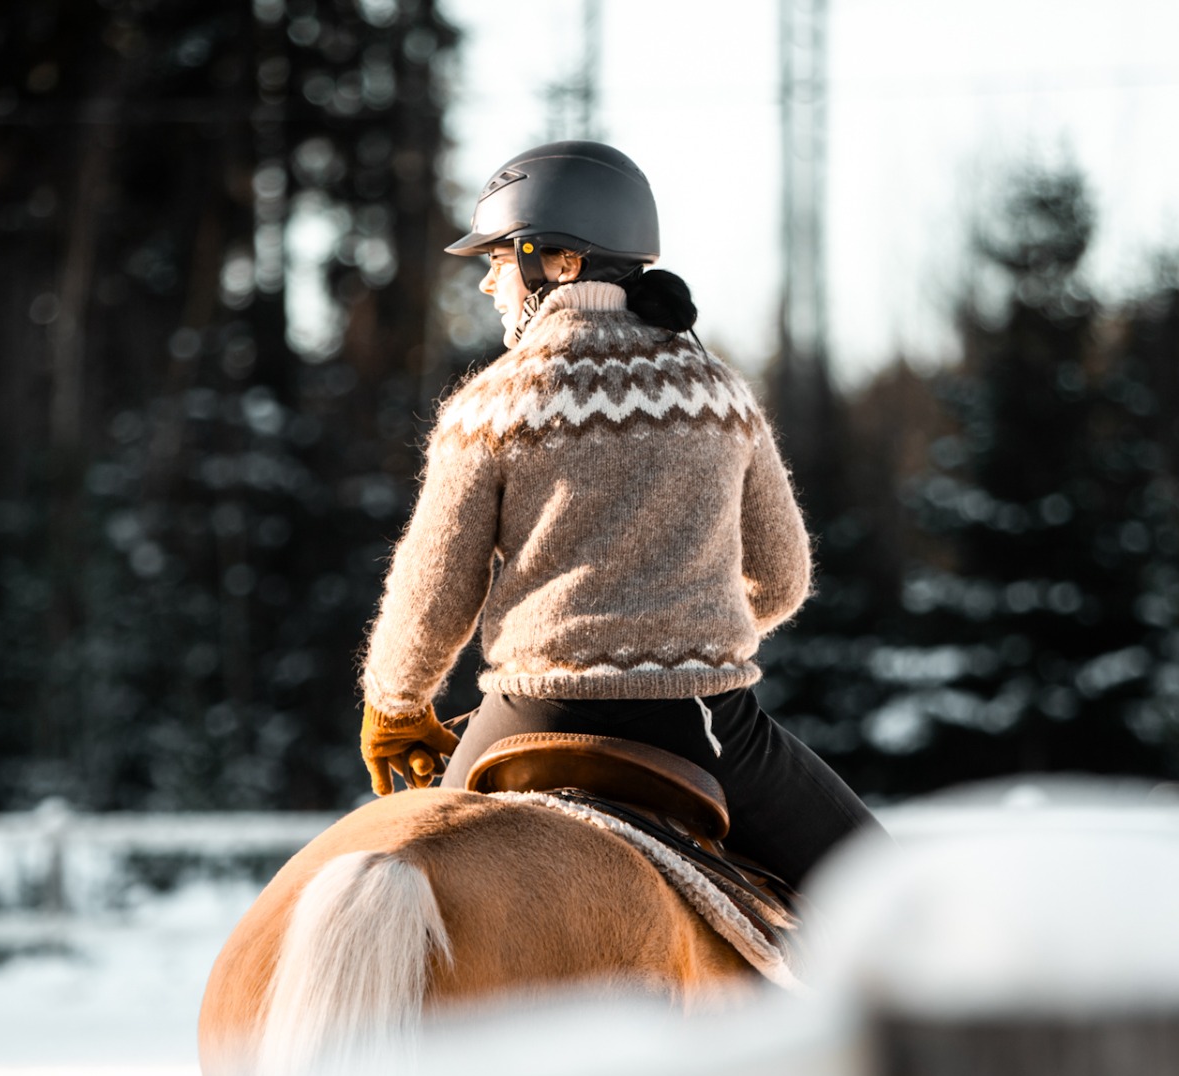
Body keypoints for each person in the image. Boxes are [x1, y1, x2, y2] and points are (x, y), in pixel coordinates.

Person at [357, 140, 879, 889]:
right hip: (697, 724)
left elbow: (434, 591)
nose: (488, 285)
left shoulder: (488, 407)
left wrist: (395, 703)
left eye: (499, 261)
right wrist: (680, 623)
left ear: (561, 263)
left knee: (413, 889)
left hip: (530, 716)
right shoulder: (719, 393)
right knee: (880, 899)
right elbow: (783, 577)